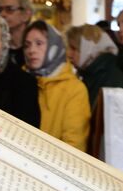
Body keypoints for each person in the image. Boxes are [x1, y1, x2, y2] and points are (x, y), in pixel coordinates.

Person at [22, 20, 88, 150]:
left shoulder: (74, 89)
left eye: (39, 43)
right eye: (27, 45)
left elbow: (74, 144)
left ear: (54, 45)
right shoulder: (18, 81)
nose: (32, 50)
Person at [65, 22, 123, 108]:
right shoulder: (91, 74)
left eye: (74, 48)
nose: (68, 54)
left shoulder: (110, 80)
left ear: (88, 48)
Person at [0, 0, 33, 71]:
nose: (3, 14)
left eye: (10, 9)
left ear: (26, 14)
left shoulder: (35, 48)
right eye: (0, 10)